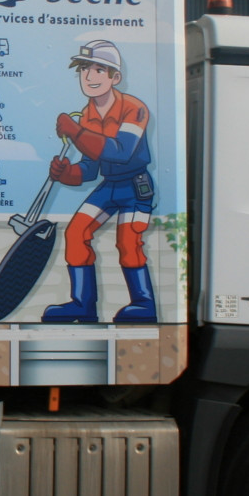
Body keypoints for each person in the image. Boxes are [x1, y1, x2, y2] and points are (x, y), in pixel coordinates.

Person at [42, 40, 157, 324]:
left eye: (99, 70)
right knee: (76, 231)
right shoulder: (87, 115)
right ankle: (83, 305)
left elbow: (121, 151)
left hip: (135, 185)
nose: (90, 77)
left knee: (129, 241)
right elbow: (90, 169)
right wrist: (64, 173)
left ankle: (144, 304)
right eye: (84, 70)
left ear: (115, 77)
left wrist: (77, 132)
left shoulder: (134, 109)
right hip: (109, 186)